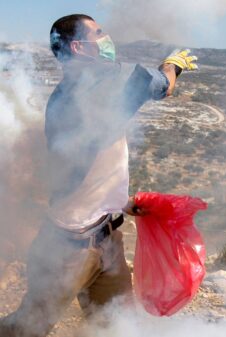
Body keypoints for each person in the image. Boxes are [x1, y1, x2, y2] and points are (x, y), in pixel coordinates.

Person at [0, 14, 198, 337]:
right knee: (24, 329)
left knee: (117, 329)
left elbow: (84, 164)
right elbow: (161, 87)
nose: (106, 39)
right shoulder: (106, 85)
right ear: (80, 47)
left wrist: (121, 201)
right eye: (99, 33)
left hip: (106, 240)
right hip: (68, 251)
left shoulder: (67, 95)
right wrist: (172, 65)